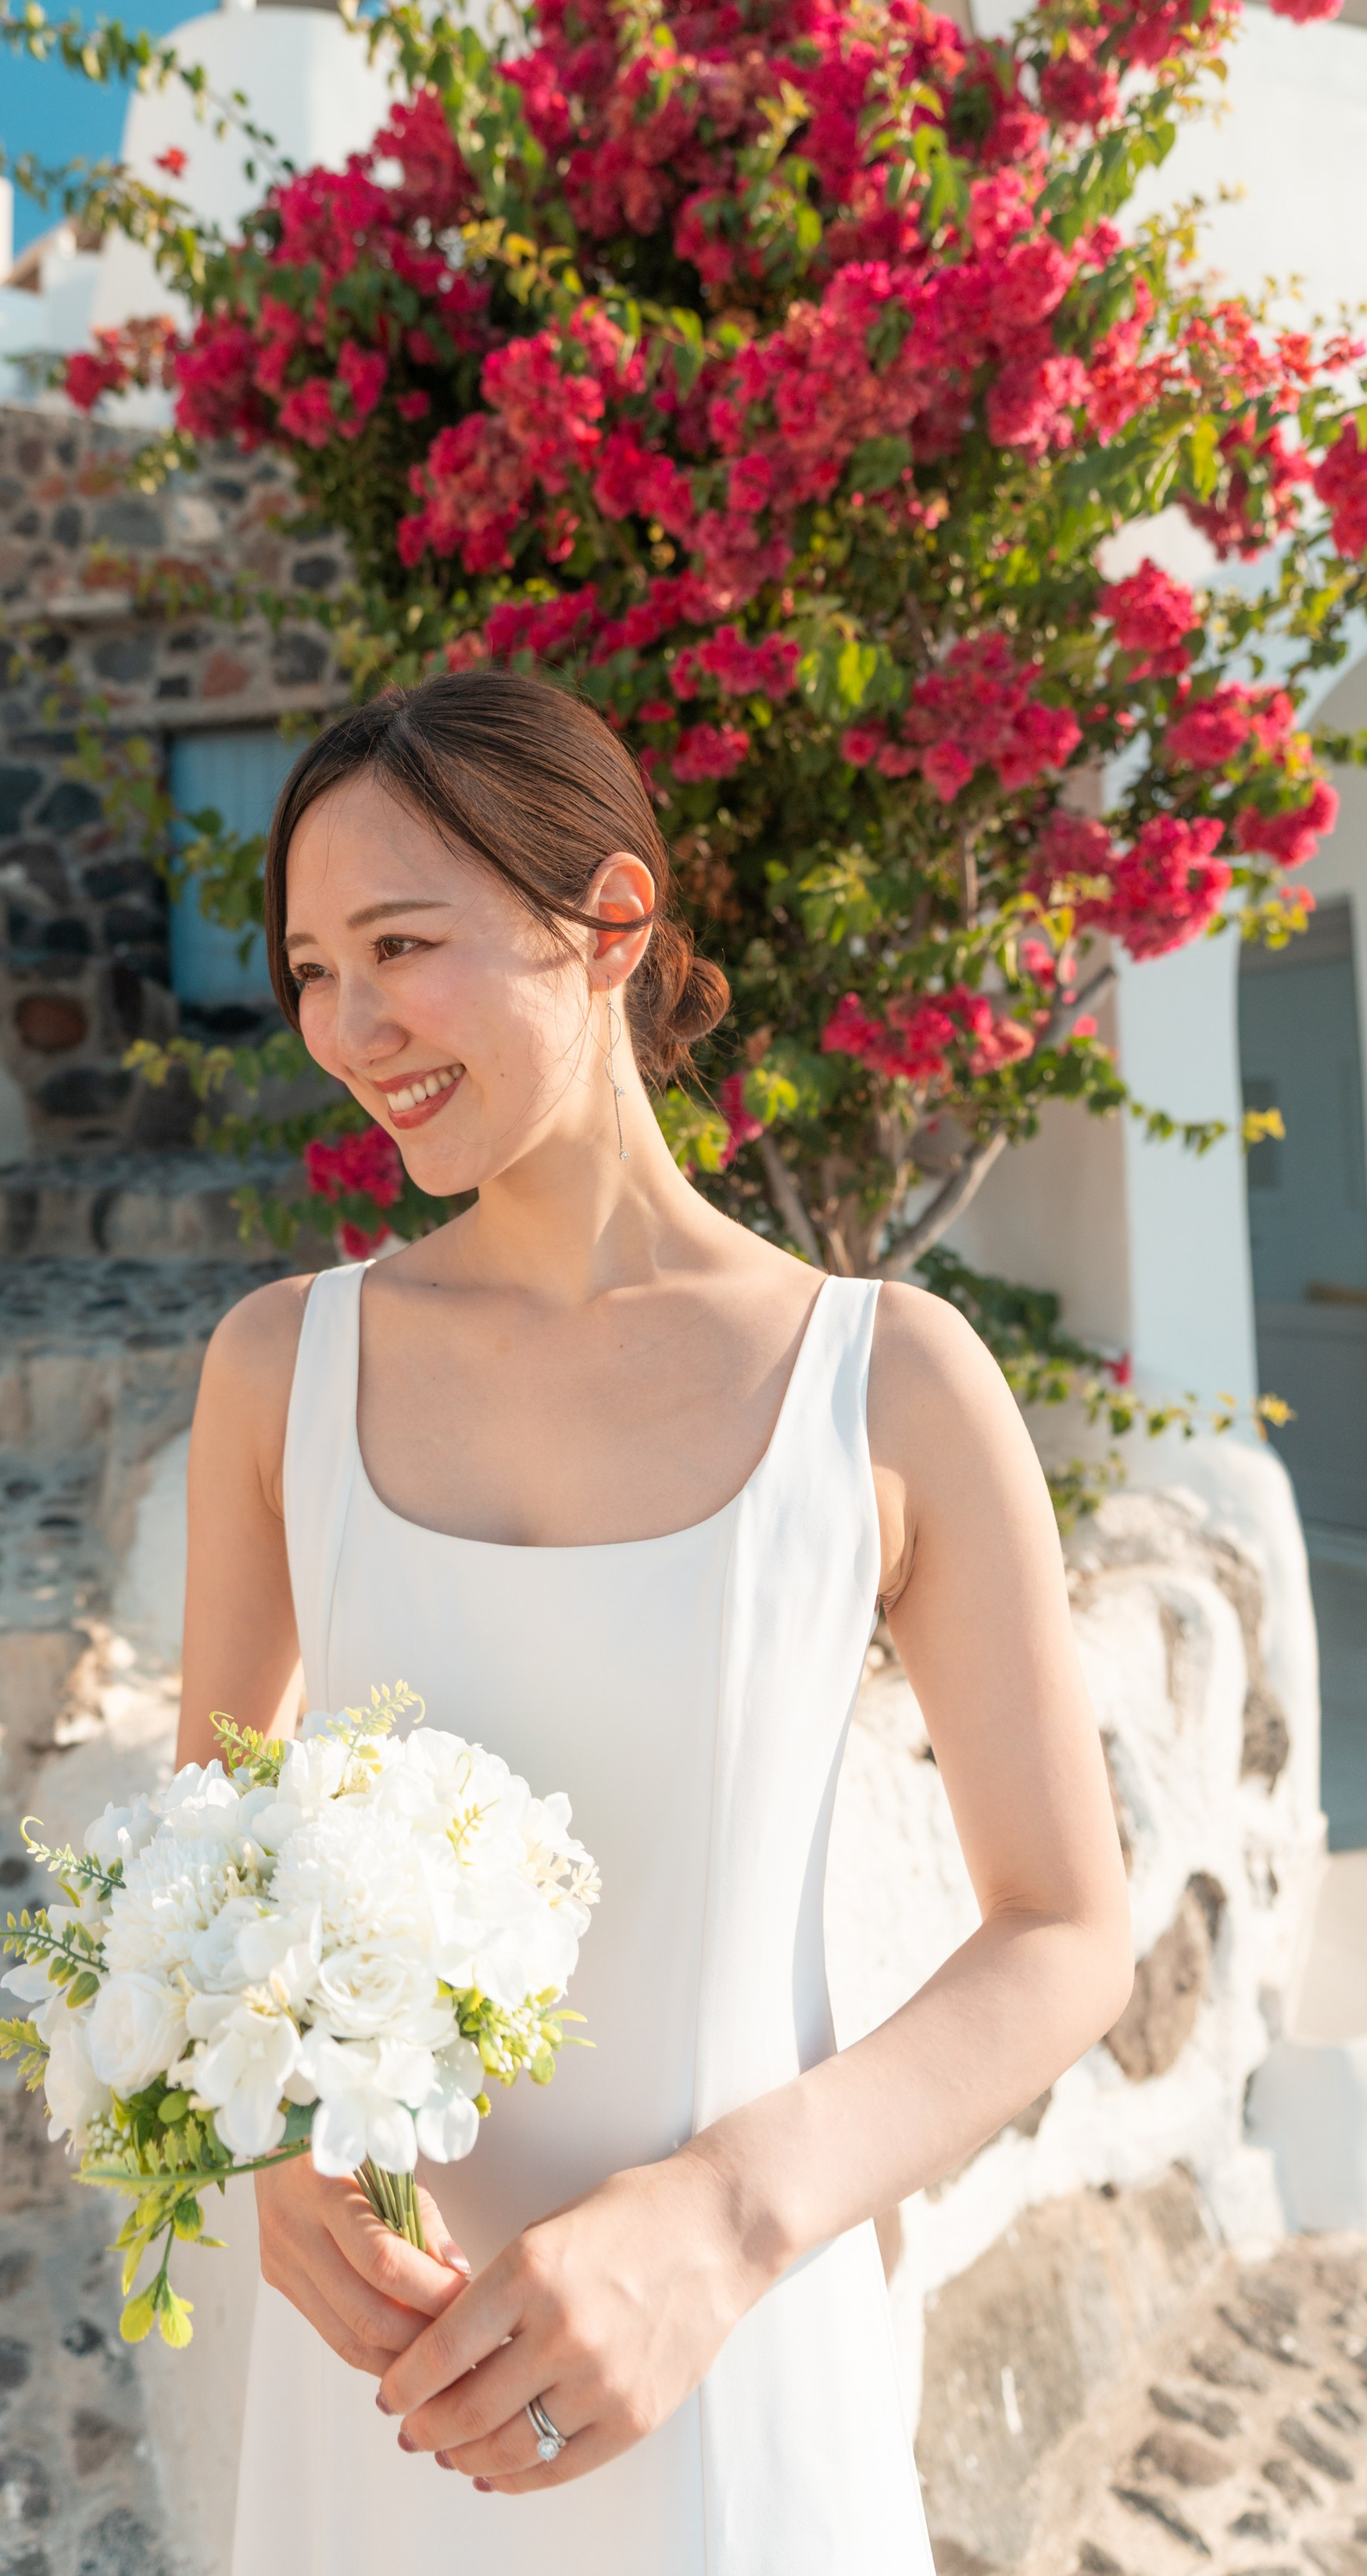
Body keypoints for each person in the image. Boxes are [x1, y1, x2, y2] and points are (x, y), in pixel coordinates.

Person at [179, 672, 1135, 2571]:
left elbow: (1065, 1933)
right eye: (307, 969)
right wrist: (266, 2153)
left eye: (399, 946)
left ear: (606, 922)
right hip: (383, 2380)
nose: (347, 1027)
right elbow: (213, 1838)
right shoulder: (276, 1369)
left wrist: (722, 2222)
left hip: (731, 2374)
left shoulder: (887, 1386)